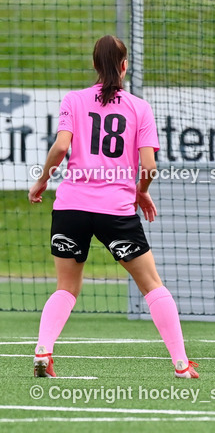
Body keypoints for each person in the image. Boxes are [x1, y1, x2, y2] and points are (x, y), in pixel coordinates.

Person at [28, 35, 198, 379]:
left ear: (94, 65)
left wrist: (43, 179)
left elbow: (61, 147)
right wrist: (141, 191)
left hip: (71, 208)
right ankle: (181, 363)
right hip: (116, 211)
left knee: (66, 288)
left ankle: (43, 350)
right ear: (124, 66)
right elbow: (148, 166)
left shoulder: (73, 100)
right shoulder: (139, 107)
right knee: (152, 285)